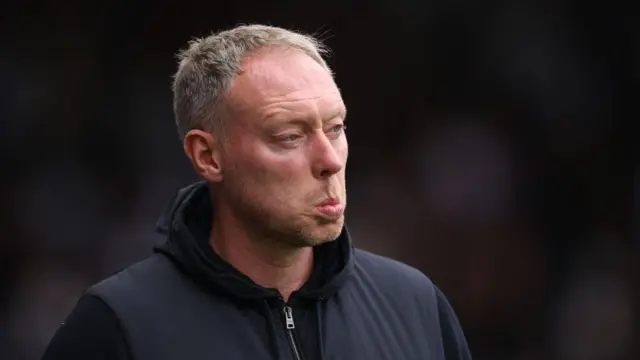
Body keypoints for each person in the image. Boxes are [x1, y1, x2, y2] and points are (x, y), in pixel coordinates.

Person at [41, 24, 472, 360]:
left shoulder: (415, 305)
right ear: (207, 155)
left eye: (336, 128)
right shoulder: (120, 325)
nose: (331, 160)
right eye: (289, 136)